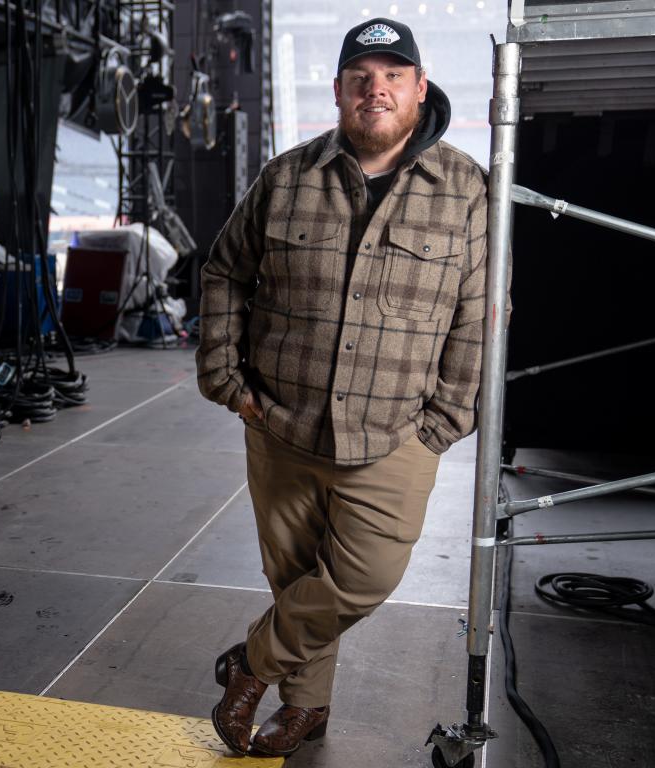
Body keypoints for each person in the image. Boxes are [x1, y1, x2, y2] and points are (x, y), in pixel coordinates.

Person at [196, 16, 494, 758]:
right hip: (280, 422)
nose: (376, 89)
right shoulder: (286, 176)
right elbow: (225, 271)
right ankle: (306, 710)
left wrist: (446, 419)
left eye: (394, 75)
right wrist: (227, 382)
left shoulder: (464, 188)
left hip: (395, 435)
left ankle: (252, 665)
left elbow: (481, 312)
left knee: (361, 578)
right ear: (338, 91)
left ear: (421, 90)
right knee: (294, 575)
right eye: (361, 77)